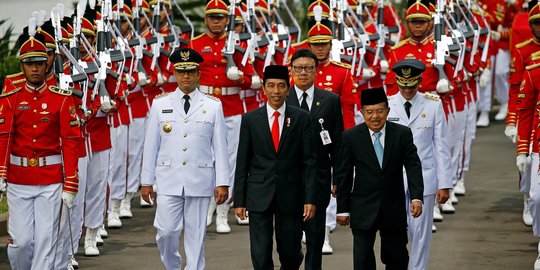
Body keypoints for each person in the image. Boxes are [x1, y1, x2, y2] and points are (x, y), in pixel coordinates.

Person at [140, 48, 230, 270]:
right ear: (174, 73)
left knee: (196, 237)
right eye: (181, 72)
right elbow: (151, 145)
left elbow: (220, 148)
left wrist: (222, 182)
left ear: (198, 73)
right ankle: (173, 265)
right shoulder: (161, 104)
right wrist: (146, 181)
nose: (186, 76)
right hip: (168, 179)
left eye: (190, 71)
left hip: (199, 178)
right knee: (166, 231)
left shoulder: (212, 105)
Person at [0, 29, 81, 269]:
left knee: (47, 241)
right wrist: (1, 172)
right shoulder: (10, 98)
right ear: (22, 66)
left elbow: (70, 141)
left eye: (38, 63)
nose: (34, 68)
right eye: (29, 64)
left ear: (46, 64)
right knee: (21, 244)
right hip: (19, 179)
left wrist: (71, 183)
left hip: (51, 180)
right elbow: (4, 138)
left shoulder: (62, 98)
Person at [234, 65, 317, 270]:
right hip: (258, 194)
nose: (276, 91)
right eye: (271, 86)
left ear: (288, 89)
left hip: (291, 194)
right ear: (263, 88)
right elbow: (242, 162)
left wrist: (309, 198)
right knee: (260, 255)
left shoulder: (301, 118)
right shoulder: (250, 119)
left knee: (290, 253)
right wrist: (240, 200)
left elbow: (309, 162)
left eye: (281, 86)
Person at [335, 87, 424, 270]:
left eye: (380, 111)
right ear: (362, 112)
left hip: (393, 208)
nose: (375, 117)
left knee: (397, 257)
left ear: (388, 111)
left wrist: (416, 197)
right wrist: (342, 209)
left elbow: (413, 166)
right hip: (362, 207)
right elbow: (344, 175)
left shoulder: (401, 133)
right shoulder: (351, 137)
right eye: (369, 112)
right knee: (363, 259)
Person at [189, 0, 255, 233]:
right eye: (212, 17)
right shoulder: (196, 43)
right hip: (205, 106)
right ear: (206, 19)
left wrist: (240, 78)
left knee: (230, 160)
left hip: (231, 106)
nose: (216, 21)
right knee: (205, 158)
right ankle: (207, 205)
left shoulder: (241, 44)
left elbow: (253, 80)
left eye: (221, 17)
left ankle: (223, 212)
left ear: (228, 19)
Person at [387, 59, 453, 270]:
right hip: (393, 179)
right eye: (403, 86)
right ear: (397, 82)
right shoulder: (387, 105)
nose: (408, 90)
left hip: (424, 177)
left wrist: (445, 183)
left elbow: (441, 145)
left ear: (420, 82)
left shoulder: (433, 105)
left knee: (421, 235)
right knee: (395, 233)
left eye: (412, 85)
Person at [286, 48, 343, 270]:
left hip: (319, 177)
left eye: (308, 68)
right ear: (291, 70)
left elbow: (337, 143)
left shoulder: (329, 100)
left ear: (316, 71)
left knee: (315, 236)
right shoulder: (282, 98)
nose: (303, 73)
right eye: (298, 68)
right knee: (289, 242)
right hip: (289, 179)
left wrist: (338, 177)